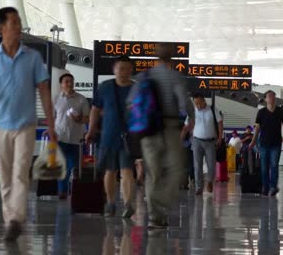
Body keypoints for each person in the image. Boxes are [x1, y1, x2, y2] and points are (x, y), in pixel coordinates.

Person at [0, 7, 55, 241]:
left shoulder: (33, 57)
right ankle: (11, 220)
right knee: (5, 176)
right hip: (0, 127)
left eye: (19, 22)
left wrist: (50, 122)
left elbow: (44, 90)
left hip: (26, 126)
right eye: (14, 23)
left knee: (20, 174)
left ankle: (16, 219)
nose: (19, 27)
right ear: (2, 28)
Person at [134, 43, 194, 229]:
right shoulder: (174, 76)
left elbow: (132, 103)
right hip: (169, 128)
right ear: (173, 58)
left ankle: (155, 216)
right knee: (176, 170)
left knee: (153, 174)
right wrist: (191, 117)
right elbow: (184, 102)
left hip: (148, 131)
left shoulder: (144, 76)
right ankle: (159, 202)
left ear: (155, 57)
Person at [85, 56, 135, 218]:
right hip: (108, 135)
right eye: (121, 68)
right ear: (114, 70)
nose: (124, 72)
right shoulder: (105, 87)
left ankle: (128, 204)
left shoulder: (137, 89)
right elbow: (95, 109)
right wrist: (91, 130)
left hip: (129, 136)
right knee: (110, 171)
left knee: (127, 171)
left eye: (127, 69)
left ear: (131, 70)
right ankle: (111, 202)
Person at [51, 73, 89, 199]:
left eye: (71, 81)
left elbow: (87, 118)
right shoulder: (56, 99)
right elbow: (52, 118)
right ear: (61, 84)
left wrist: (79, 119)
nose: (69, 84)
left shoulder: (81, 99)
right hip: (60, 137)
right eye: (66, 81)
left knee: (74, 167)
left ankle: (76, 191)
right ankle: (62, 191)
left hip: (76, 139)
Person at [250, 90, 283, 196]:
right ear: (265, 99)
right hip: (263, 143)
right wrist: (253, 141)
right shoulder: (261, 112)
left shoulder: (280, 111)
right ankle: (265, 186)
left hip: (276, 144)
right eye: (269, 96)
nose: (272, 98)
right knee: (264, 167)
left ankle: (273, 187)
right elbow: (257, 128)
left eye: (273, 96)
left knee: (274, 166)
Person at [184, 93, 223, 195]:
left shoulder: (213, 109)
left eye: (199, 103)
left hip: (211, 142)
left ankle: (209, 181)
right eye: (196, 104)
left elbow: (220, 123)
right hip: (197, 141)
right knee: (197, 166)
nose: (198, 106)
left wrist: (220, 137)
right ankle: (199, 187)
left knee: (211, 165)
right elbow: (187, 125)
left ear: (204, 101)